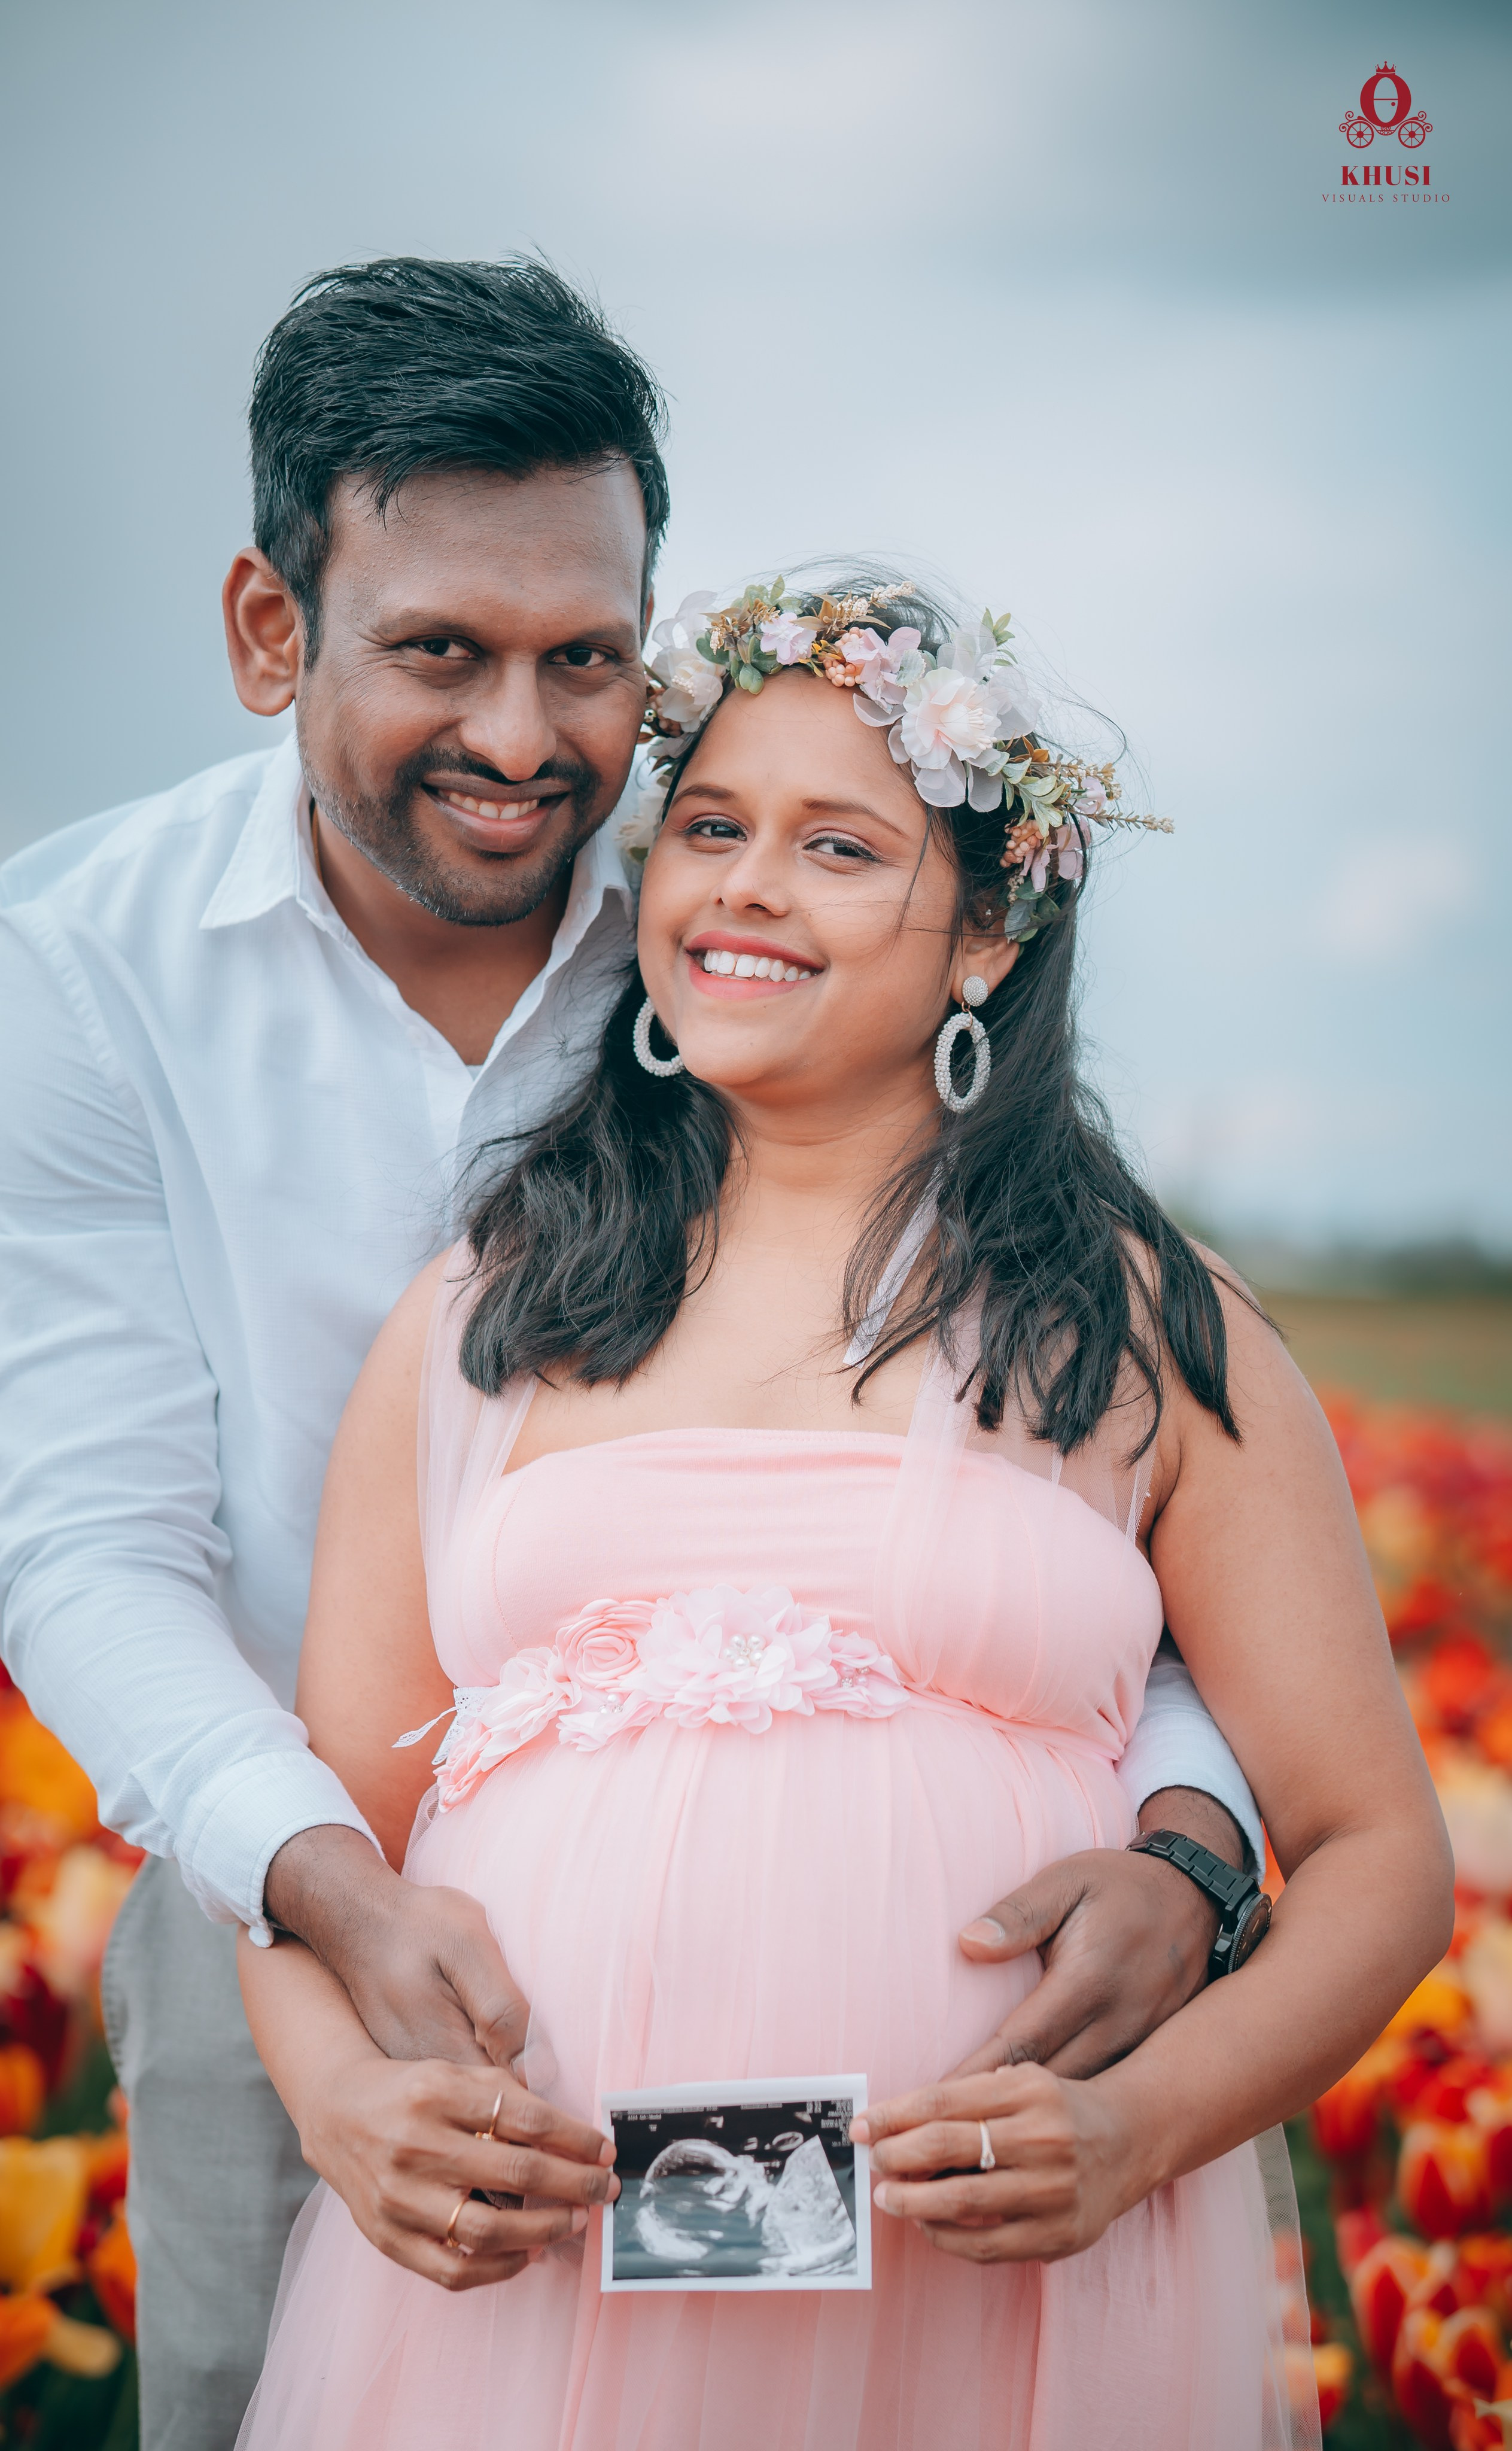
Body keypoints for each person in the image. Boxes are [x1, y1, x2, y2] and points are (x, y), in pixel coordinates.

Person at [0, 264, 1255, 2450]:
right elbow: (89, 1538)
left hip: (895, 2026)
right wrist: (326, 1899)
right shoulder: (76, 978)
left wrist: (1194, 1829)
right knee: (238, 2396)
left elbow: (1026, 1467)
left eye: (587, 657)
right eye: (439, 653)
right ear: (268, 630)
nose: (523, 740)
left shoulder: (742, 913)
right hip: (284, 1886)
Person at [232, 577, 1450, 2450]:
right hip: (536, 2280)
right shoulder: (483, 1313)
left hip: (994, 2286)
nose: (746, 889)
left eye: (840, 847)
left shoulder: (1141, 1324)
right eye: (710, 829)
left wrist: (1135, 2130)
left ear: (983, 937)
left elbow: (1380, 1857)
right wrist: (339, 2097)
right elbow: (322, 1854)